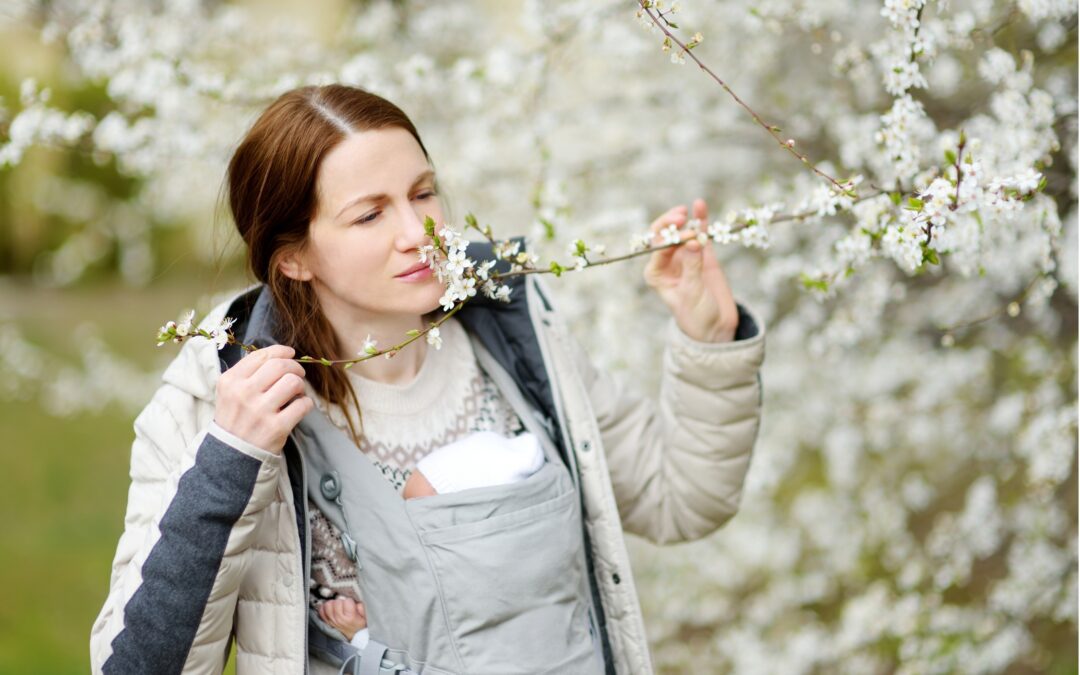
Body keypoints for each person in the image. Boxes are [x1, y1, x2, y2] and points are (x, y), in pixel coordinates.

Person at [90, 83, 767, 675]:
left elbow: (681, 498)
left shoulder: (516, 333)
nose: (419, 232)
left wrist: (708, 339)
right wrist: (230, 461)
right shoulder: (221, 401)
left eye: (422, 193)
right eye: (370, 213)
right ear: (293, 257)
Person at [319, 429, 548, 651]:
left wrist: (361, 638)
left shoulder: (478, 593)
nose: (408, 533)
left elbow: (436, 659)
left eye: (426, 523)